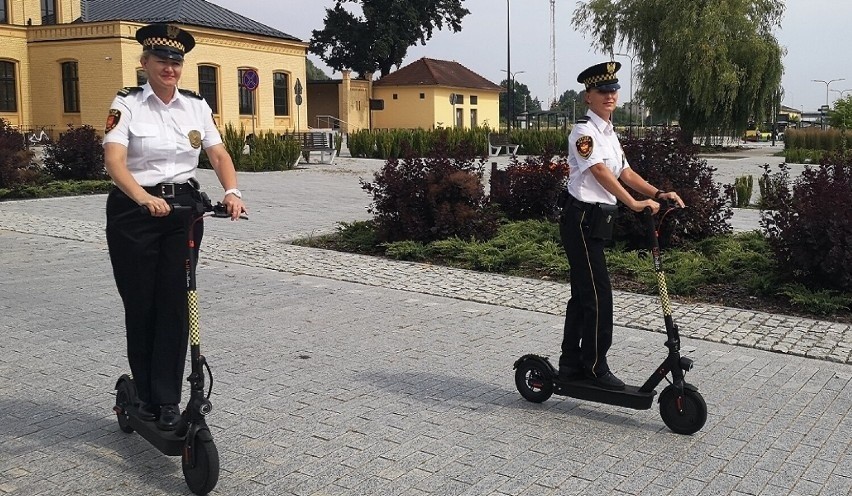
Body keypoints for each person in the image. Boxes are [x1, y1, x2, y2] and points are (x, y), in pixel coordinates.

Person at [103, 23, 247, 430]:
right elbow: (115, 160)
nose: (170, 68)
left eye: (176, 62)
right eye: (162, 60)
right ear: (145, 62)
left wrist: (232, 190)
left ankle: (167, 400)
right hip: (135, 214)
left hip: (182, 212)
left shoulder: (196, 106)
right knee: (142, 305)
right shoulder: (127, 103)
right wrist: (144, 198)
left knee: (175, 306)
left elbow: (217, 153)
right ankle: (144, 396)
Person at [557, 61, 684, 390]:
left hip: (597, 221)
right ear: (588, 96)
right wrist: (633, 203)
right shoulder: (582, 133)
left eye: (613, 90)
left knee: (583, 294)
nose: (610, 95)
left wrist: (658, 193)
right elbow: (599, 172)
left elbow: (624, 172)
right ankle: (595, 367)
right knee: (599, 296)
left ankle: (571, 363)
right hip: (581, 218)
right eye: (602, 91)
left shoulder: (611, 134)